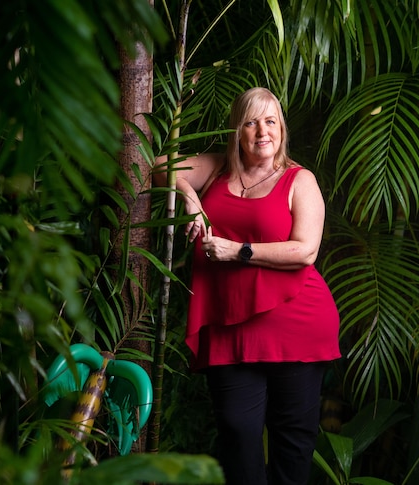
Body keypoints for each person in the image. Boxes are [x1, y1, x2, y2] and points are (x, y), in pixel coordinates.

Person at [153, 87, 341, 485]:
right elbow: (159, 164)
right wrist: (189, 198)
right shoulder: (217, 169)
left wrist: (238, 250)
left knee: (292, 441)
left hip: (296, 324)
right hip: (229, 325)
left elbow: (305, 251)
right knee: (236, 434)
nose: (262, 132)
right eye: (251, 122)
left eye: (270, 121)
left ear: (282, 129)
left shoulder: (298, 180)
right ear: (237, 130)